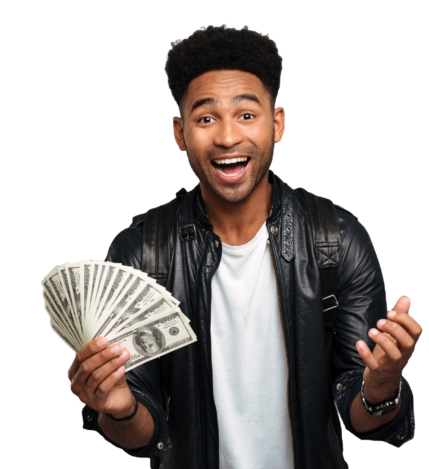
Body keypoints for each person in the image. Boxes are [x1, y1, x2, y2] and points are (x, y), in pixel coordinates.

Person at [67, 25, 421, 468]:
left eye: (247, 115)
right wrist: (119, 408)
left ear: (278, 125)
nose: (228, 137)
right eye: (206, 118)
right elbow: (143, 434)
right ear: (179, 133)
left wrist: (382, 385)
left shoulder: (338, 240)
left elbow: (361, 418)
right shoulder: (141, 253)